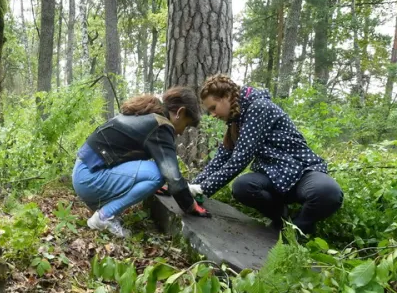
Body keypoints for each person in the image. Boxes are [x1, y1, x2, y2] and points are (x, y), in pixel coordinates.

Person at [190, 75, 343, 235]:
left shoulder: (259, 107)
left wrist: (203, 189)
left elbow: (240, 159)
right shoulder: (237, 120)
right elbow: (221, 158)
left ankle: (296, 230)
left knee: (328, 193)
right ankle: (282, 219)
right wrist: (192, 188)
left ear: (226, 97)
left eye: (213, 108)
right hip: (273, 176)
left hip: (302, 171)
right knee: (243, 186)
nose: (213, 114)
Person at [72, 87, 202, 237]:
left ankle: (105, 213)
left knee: (158, 174)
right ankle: (103, 217)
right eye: (186, 125)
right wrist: (191, 206)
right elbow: (171, 174)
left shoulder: (146, 114)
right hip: (90, 179)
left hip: (83, 173)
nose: (181, 132)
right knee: (159, 174)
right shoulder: (161, 125)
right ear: (180, 112)